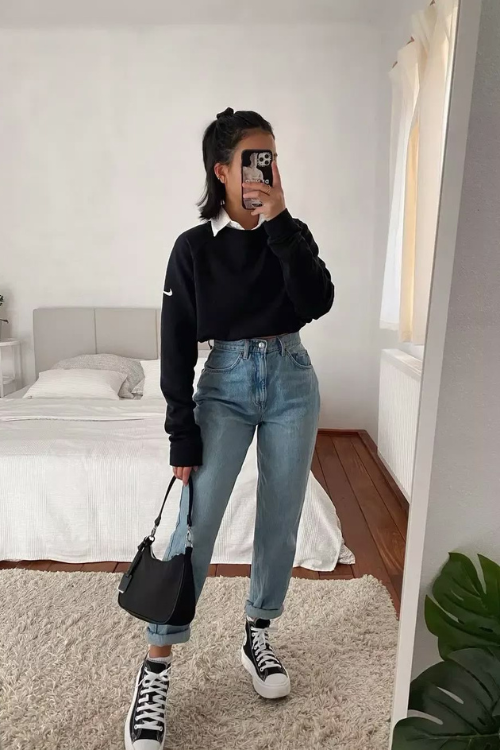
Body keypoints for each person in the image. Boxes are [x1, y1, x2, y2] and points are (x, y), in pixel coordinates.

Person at [124, 107, 334, 750]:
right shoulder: (194, 248)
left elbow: (317, 301)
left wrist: (280, 222)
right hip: (226, 384)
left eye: (271, 157)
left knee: (281, 515)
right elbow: (175, 343)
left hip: (293, 378)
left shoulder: (290, 233)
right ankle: (157, 662)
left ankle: (258, 632)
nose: (264, 170)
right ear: (222, 171)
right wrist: (180, 430)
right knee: (194, 522)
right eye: (252, 159)